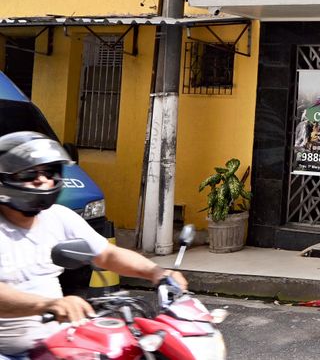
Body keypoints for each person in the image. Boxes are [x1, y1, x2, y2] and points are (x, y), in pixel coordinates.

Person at [0, 131, 188, 358]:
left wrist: (156, 272)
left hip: (61, 342)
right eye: (29, 173)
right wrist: (48, 304)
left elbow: (107, 254)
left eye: (48, 172)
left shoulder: (58, 217)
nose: (42, 180)